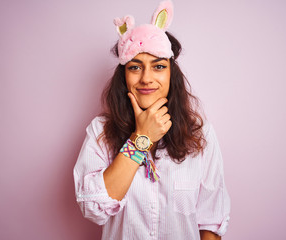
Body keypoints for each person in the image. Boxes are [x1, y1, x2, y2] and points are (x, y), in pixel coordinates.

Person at [73, 1, 231, 239]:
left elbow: (211, 220)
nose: (146, 78)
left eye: (158, 66)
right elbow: (93, 209)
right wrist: (140, 139)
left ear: (171, 73)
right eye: (135, 67)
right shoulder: (101, 131)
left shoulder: (200, 134)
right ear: (124, 76)